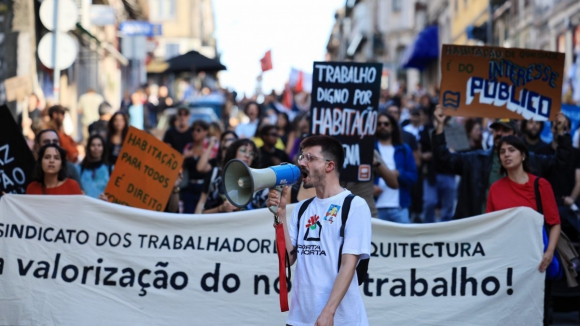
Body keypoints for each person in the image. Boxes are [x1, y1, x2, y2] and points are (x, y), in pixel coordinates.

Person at [266, 135, 371, 326]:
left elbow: (349, 264)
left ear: (329, 166)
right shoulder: (302, 208)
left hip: (339, 319)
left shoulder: (354, 205)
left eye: (309, 158)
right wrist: (279, 215)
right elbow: (287, 259)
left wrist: (328, 312)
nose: (301, 163)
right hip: (300, 319)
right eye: (301, 157)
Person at [432, 105, 571, 219]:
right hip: (478, 230)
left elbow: (560, 163)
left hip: (516, 232)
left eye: (505, 130)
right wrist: (439, 125)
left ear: (516, 136)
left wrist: (561, 132)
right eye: (496, 130)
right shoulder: (475, 160)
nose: (499, 133)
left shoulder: (532, 161)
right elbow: (444, 159)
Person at [485, 136, 561, 326]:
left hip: (537, 263)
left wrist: (549, 252)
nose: (506, 155)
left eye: (511, 150)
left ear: (523, 155)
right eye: (502, 152)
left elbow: (555, 223)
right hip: (507, 265)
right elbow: (489, 227)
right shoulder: (495, 189)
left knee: (538, 314)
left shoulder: (540, 185)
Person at [374, 113, 417, 223]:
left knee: (404, 240)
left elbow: (413, 177)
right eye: (379, 124)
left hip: (399, 207)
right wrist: (370, 188)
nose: (382, 126)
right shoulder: (370, 149)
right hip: (375, 207)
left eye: (386, 124)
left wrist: (399, 174)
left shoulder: (404, 149)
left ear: (392, 127)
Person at [197, 138, 260, 214]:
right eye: (243, 151)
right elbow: (204, 213)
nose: (247, 155)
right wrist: (221, 208)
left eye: (251, 153)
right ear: (234, 154)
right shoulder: (220, 182)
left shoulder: (259, 182)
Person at [181, 120, 211, 213]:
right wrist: (184, 156)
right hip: (189, 186)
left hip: (204, 187)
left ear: (206, 132)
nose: (195, 132)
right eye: (193, 130)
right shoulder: (188, 147)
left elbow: (205, 167)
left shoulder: (210, 147)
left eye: (198, 130)